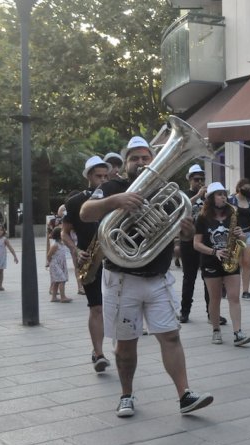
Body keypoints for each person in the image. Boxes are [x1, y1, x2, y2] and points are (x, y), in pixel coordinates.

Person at [80, 135, 213, 417]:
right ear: (126, 162)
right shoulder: (112, 186)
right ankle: (126, 395)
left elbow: (182, 234)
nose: (140, 163)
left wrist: (187, 231)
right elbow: (85, 212)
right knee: (126, 345)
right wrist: (116, 201)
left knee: (171, 337)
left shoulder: (167, 190)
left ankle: (185, 395)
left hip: (157, 278)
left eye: (145, 158)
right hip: (122, 280)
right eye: (135, 158)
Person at [62, 155, 111, 372]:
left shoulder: (114, 196)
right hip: (90, 259)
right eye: (98, 175)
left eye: (105, 176)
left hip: (115, 259)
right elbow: (65, 233)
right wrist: (77, 250)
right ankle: (98, 352)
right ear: (89, 176)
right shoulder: (74, 202)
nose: (102, 179)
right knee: (96, 307)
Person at [193, 182, 250, 347]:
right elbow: (196, 244)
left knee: (234, 297)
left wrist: (241, 236)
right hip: (210, 261)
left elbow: (242, 239)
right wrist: (214, 252)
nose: (223, 197)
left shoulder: (234, 214)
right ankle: (216, 330)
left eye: (224, 194)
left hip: (231, 261)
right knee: (215, 298)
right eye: (219, 194)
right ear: (211, 198)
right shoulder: (202, 218)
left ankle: (238, 333)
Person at [178, 164, 224, 325]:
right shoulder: (184, 195)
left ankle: (211, 313)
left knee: (209, 278)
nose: (200, 182)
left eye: (202, 179)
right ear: (190, 180)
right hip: (188, 240)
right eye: (196, 179)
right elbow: (182, 207)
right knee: (189, 277)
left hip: (205, 241)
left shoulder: (206, 197)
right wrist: (198, 195)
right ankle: (184, 312)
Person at [228, 178, 250, 302]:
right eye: (246, 189)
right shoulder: (231, 200)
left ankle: (245, 291)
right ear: (240, 188)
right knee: (234, 262)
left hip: (248, 233)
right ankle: (228, 287)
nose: (249, 191)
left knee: (247, 262)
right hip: (234, 234)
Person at [47, 226, 72, 303]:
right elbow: (49, 255)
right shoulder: (55, 245)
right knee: (62, 279)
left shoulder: (61, 243)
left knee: (57, 281)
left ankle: (54, 297)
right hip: (55, 265)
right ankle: (63, 297)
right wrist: (51, 263)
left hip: (60, 265)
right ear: (59, 235)